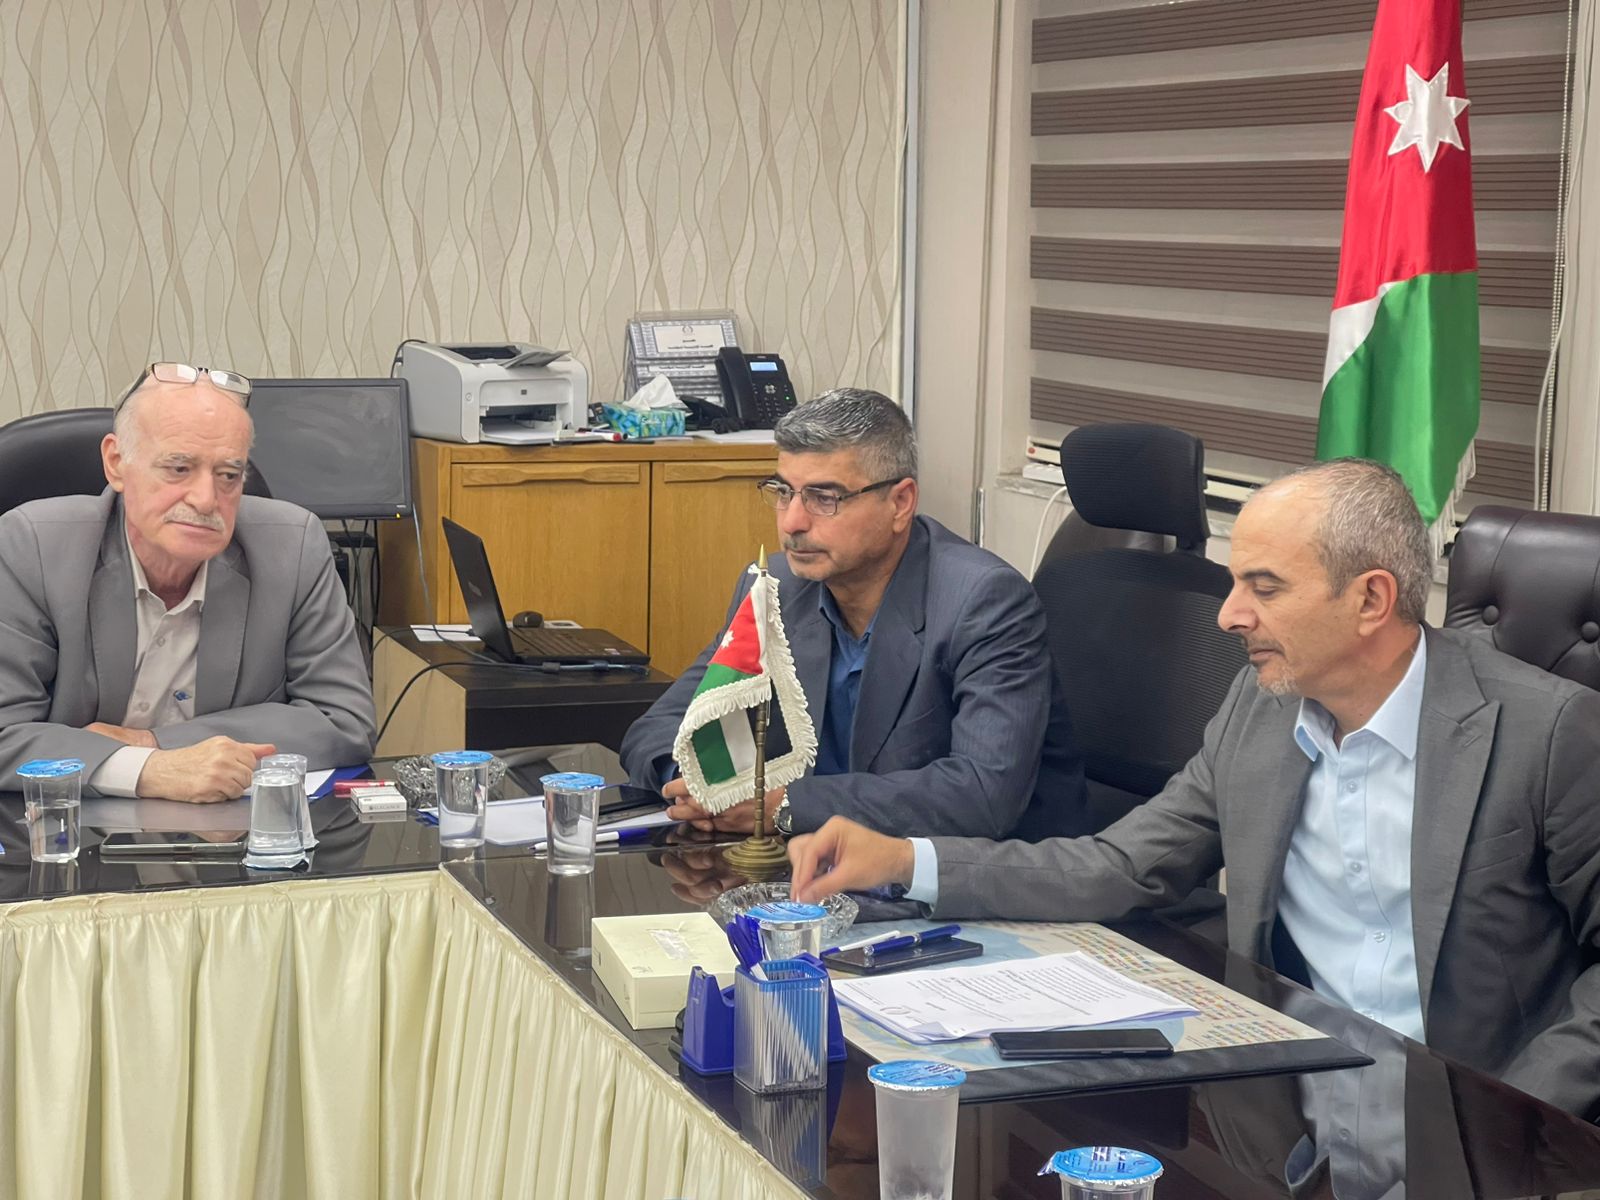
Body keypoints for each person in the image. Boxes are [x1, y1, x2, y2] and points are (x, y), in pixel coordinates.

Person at [789, 458, 1600, 1118]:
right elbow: (1120, 866)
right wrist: (904, 860)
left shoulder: (1549, 731)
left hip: (1470, 1117)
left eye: (1264, 588)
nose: (1228, 615)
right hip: (1291, 1098)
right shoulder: (1261, 706)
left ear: (1371, 599)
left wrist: (1523, 1114)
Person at [620, 387, 1086, 840]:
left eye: (825, 498)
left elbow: (982, 795)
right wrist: (699, 789)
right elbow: (658, 729)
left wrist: (782, 805)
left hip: (969, 876)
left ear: (900, 503)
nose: (792, 522)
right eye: (783, 492)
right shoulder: (776, 585)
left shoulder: (984, 601)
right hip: (814, 865)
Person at [0, 362, 376, 802]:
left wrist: (154, 744)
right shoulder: (32, 546)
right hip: (67, 828)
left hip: (227, 829)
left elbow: (343, 721)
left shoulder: (293, 548)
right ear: (116, 463)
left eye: (228, 475)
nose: (205, 499)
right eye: (179, 468)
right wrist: (147, 771)